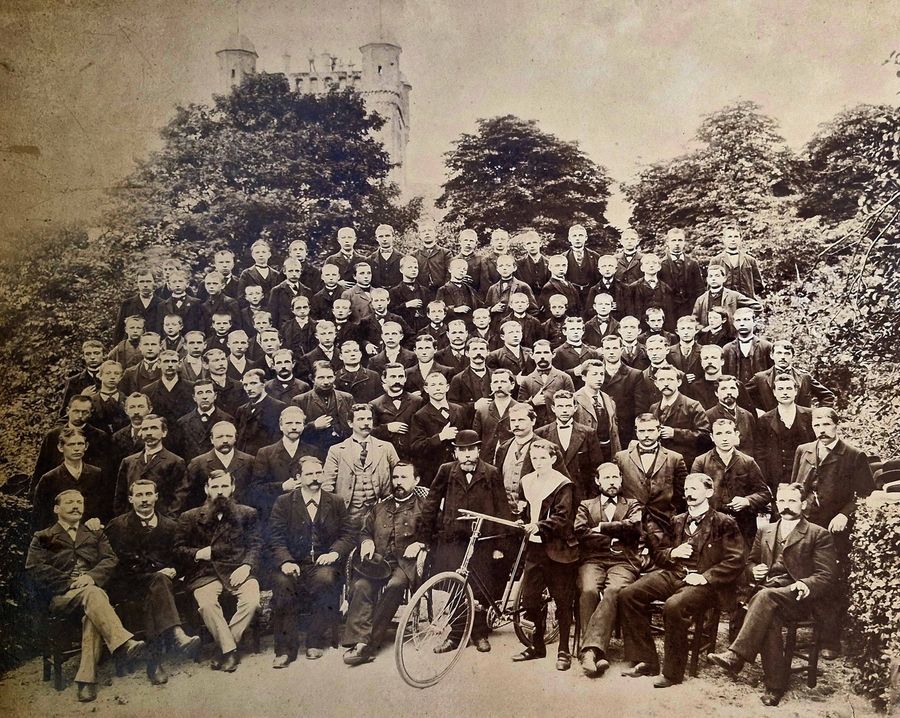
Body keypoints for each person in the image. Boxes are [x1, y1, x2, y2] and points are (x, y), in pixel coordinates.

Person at [708, 483, 837, 707]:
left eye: (792, 501)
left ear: (803, 504)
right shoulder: (765, 530)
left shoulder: (818, 534)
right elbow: (751, 561)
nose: (786, 506)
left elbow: (826, 575)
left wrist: (805, 583)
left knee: (765, 597)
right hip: (768, 595)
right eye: (782, 501)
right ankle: (775, 687)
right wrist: (754, 570)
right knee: (769, 616)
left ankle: (736, 656)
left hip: (798, 597)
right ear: (776, 504)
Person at [618, 473, 745, 688]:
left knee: (674, 606)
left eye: (694, 489)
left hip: (706, 584)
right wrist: (673, 553)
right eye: (686, 489)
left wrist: (705, 577)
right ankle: (646, 660)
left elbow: (736, 560)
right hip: (676, 573)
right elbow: (660, 554)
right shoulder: (676, 521)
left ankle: (672, 673)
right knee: (628, 595)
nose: (688, 493)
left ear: (709, 492)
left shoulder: (725, 522)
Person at [26, 489, 146, 703]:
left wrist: (91, 576)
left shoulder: (95, 533)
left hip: (94, 597)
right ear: (56, 509)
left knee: (92, 614)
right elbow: (35, 567)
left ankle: (86, 681)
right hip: (62, 597)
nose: (76, 506)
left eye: (79, 502)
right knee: (94, 593)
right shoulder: (44, 537)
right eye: (69, 502)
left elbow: (110, 560)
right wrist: (70, 582)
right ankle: (122, 642)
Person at [790, 407, 875, 659]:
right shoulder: (803, 450)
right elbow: (796, 487)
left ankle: (830, 640)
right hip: (805, 524)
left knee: (829, 579)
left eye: (827, 424)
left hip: (833, 528)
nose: (822, 430)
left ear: (837, 425)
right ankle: (800, 623)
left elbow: (865, 494)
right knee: (799, 570)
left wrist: (844, 514)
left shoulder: (853, 455)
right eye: (817, 426)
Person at [418, 430, 512, 653]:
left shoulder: (491, 473)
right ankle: (457, 634)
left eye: (471, 449)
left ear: (478, 450)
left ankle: (479, 633)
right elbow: (431, 504)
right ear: (456, 453)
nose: (467, 455)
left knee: (480, 587)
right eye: (462, 450)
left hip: (483, 540)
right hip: (454, 539)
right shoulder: (446, 471)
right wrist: (425, 538)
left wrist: (499, 545)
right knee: (456, 585)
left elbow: (502, 509)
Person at [105, 479, 201, 685]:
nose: (144, 500)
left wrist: (175, 570)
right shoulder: (118, 526)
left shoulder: (170, 526)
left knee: (155, 593)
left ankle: (154, 663)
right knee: (157, 584)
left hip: (162, 584)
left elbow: (180, 557)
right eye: (139, 495)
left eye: (148, 494)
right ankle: (176, 633)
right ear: (130, 499)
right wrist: (156, 571)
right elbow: (120, 560)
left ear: (156, 497)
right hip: (129, 584)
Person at [269, 456, 354, 665]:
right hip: (293, 562)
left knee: (326, 580)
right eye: (309, 474)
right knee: (283, 583)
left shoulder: (335, 501)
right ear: (298, 477)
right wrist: (286, 561)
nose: (315, 478)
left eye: (318, 473)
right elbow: (275, 538)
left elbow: (348, 534)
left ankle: (314, 640)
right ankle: (285, 649)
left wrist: (334, 553)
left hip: (323, 564)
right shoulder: (284, 502)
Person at [174, 470, 261, 673]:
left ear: (232, 488)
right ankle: (230, 650)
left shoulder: (247, 514)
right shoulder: (190, 517)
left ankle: (223, 648)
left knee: (252, 601)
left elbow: (256, 545)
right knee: (206, 604)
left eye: (224, 486)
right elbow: (177, 549)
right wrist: (198, 553)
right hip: (205, 573)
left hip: (237, 569)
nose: (220, 491)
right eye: (215, 487)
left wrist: (246, 566)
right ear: (207, 489)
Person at [342, 462, 427, 666]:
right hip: (378, 562)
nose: (398, 482)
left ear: (416, 480)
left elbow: (438, 533)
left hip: (405, 564)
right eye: (395, 477)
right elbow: (364, 531)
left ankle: (368, 644)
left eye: (404, 477)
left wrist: (420, 544)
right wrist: (366, 542)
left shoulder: (425, 507)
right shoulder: (380, 507)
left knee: (395, 586)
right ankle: (360, 641)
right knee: (361, 585)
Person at [512, 439, 578, 670]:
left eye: (542, 458)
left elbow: (563, 518)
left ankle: (563, 651)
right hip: (535, 549)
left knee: (562, 601)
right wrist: (520, 520)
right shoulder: (527, 481)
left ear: (553, 459)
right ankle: (537, 646)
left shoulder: (563, 484)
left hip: (558, 549)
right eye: (534, 458)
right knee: (530, 600)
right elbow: (523, 509)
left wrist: (539, 526)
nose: (538, 462)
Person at [575, 463, 643, 678]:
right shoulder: (586, 505)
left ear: (621, 479)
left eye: (615, 477)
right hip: (593, 559)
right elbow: (581, 533)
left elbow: (635, 528)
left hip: (623, 561)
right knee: (589, 591)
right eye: (607, 478)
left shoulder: (632, 504)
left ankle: (590, 652)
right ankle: (597, 653)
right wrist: (614, 538)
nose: (612, 482)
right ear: (598, 481)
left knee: (614, 590)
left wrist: (602, 528)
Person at [691, 418, 770, 543]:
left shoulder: (748, 462)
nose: (724, 438)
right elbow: (692, 494)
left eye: (728, 433)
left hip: (743, 526)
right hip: (711, 525)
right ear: (712, 437)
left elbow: (764, 494)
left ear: (736, 434)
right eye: (719, 433)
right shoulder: (701, 462)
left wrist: (747, 501)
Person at [322, 403, 400, 525]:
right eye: (361, 419)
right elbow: (327, 485)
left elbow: (400, 476)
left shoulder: (386, 448)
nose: (366, 423)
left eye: (369, 419)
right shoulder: (336, 451)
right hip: (347, 516)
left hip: (381, 514)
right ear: (350, 423)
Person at [615, 413, 688, 531]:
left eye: (650, 430)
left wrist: (673, 514)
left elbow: (681, 493)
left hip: (664, 522)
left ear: (659, 431)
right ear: (636, 432)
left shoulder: (675, 458)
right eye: (642, 431)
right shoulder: (621, 458)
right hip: (630, 520)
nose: (646, 435)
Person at [31, 394, 110, 497]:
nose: (80, 416)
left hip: (89, 492)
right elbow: (41, 467)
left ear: (90, 413)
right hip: (58, 491)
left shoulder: (100, 436)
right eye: (76, 411)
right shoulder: (53, 435)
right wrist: (33, 494)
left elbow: (105, 472)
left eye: (84, 412)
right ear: (68, 410)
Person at [247, 407, 318, 521]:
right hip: (275, 513)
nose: (294, 427)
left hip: (305, 514)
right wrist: (282, 486)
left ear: (303, 426)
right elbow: (255, 488)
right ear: (281, 426)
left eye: (298, 423)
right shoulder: (266, 453)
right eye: (289, 423)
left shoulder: (313, 451)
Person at [32, 427, 109, 531]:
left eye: (80, 444)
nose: (76, 448)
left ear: (86, 446)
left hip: (91, 532)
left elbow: (106, 508)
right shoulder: (49, 479)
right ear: (60, 447)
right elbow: (40, 518)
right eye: (71, 444)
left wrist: (97, 520)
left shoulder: (97, 474)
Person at [535, 390, 604, 503]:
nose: (564, 410)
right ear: (553, 408)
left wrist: (591, 499)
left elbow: (596, 468)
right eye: (560, 406)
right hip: (551, 495)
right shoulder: (541, 434)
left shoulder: (588, 433)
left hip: (581, 496)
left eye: (568, 406)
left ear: (575, 408)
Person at [114, 414, 187, 517]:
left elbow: (178, 498)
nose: (149, 433)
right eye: (145, 429)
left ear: (164, 432)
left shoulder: (175, 462)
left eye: (154, 428)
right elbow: (120, 497)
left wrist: (169, 521)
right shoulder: (128, 461)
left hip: (161, 520)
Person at [409, 372, 470, 487]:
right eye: (433, 385)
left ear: (447, 387)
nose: (437, 388)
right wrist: (441, 437)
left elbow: (467, 436)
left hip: (459, 468)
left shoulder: (459, 410)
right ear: (426, 389)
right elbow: (416, 447)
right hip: (434, 473)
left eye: (441, 384)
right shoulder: (420, 416)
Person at [756, 375, 815, 492]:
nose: (785, 393)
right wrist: (765, 480)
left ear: (796, 391)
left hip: (803, 474)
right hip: (775, 478)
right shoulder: (764, 419)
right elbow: (760, 452)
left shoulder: (809, 415)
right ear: (774, 392)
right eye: (780, 389)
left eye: (789, 388)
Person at [650, 365, 711, 479]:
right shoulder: (653, 408)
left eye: (670, 379)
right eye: (661, 380)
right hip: (659, 466)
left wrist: (675, 433)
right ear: (656, 383)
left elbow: (705, 436)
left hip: (684, 465)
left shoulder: (692, 406)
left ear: (679, 382)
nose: (666, 383)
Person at [183, 420, 255, 513]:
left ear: (235, 438)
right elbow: (187, 496)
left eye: (229, 436)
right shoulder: (198, 463)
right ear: (212, 439)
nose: (225, 440)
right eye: (220, 437)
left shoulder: (249, 461)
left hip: (241, 516)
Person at [746, 340, 836, 414]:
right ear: (772, 355)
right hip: (771, 425)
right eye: (779, 353)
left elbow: (827, 396)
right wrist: (757, 411)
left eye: (787, 353)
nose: (783, 357)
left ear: (792, 356)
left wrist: (819, 415)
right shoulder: (760, 378)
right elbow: (742, 396)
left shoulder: (804, 377)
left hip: (800, 425)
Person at [291, 361, 354, 457]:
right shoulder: (300, 401)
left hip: (344, 452)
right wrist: (314, 426)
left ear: (335, 377)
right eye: (321, 378)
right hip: (314, 453)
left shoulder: (347, 398)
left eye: (330, 377)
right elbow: (293, 430)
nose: (326, 382)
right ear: (312, 379)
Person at [494, 403, 541, 517]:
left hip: (532, 514)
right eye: (513, 420)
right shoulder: (503, 448)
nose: (516, 424)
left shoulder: (544, 447)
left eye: (521, 420)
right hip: (505, 514)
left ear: (533, 421)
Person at [370, 363, 424, 461]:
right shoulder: (375, 404)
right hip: (385, 456)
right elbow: (370, 431)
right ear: (384, 379)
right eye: (393, 377)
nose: (397, 381)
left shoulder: (417, 401)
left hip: (413, 456)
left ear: (405, 378)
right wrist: (387, 428)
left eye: (400, 376)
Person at [572, 360, 621, 463]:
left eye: (602, 374)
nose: (599, 378)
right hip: (586, 454)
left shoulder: (608, 400)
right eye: (594, 374)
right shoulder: (575, 399)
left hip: (608, 451)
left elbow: (614, 430)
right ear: (584, 377)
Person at [234, 369, 288, 456]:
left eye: (253, 383)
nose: (249, 388)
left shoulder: (278, 407)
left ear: (264, 384)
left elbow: (278, 439)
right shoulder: (241, 410)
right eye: (245, 385)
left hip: (266, 457)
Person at [691, 263, 762, 329]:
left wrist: (741, 318)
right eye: (710, 276)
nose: (713, 278)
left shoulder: (733, 296)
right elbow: (694, 320)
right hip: (708, 335)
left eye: (717, 275)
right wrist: (702, 329)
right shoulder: (701, 299)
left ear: (724, 278)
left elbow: (757, 307)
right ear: (707, 280)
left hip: (730, 334)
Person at [473, 369, 521, 463]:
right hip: (487, 462)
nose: (499, 385)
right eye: (495, 382)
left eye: (503, 382)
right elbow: (476, 438)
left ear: (512, 385)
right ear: (491, 386)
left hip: (512, 460)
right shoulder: (482, 411)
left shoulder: (520, 409)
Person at [705, 374, 758, 458]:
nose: (729, 392)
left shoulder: (747, 415)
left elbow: (755, 445)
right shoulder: (708, 416)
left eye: (732, 388)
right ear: (716, 393)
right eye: (724, 389)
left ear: (738, 392)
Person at [658, 228, 704, 320]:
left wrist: (698, 309)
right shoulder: (661, 264)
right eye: (673, 240)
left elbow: (699, 288)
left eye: (680, 240)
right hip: (669, 310)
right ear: (667, 242)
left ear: (684, 242)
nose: (677, 243)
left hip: (690, 308)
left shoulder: (692, 263)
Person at [710, 224, 765, 299]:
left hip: (746, 302)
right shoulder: (716, 261)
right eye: (729, 237)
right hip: (723, 302)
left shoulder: (750, 260)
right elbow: (711, 285)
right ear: (724, 239)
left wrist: (748, 293)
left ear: (740, 239)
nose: (733, 240)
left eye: (736, 236)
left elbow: (758, 285)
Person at [142, 349, 195, 426]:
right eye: (166, 361)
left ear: (179, 364)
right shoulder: (148, 390)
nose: (170, 365)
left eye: (173, 361)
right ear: (158, 363)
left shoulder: (191, 387)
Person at [722, 308, 773, 385]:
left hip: (759, 390)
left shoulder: (766, 347)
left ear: (754, 322)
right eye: (738, 320)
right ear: (734, 323)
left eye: (746, 319)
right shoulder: (727, 349)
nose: (742, 323)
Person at [114, 269, 163, 343]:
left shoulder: (162, 304)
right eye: (141, 281)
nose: (145, 285)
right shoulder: (127, 304)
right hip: (131, 346)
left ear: (154, 282)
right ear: (137, 283)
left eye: (148, 281)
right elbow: (119, 331)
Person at [61, 339, 105, 414]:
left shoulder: (111, 377)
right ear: (83, 356)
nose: (92, 357)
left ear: (103, 355)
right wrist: (81, 398)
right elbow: (64, 412)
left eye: (96, 353)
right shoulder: (74, 381)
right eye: (88, 354)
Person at [267, 258, 311, 332]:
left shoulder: (307, 291)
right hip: (284, 329)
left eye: (297, 271)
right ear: (284, 271)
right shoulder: (277, 291)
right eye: (290, 271)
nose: (294, 274)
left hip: (303, 329)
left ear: (301, 271)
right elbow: (273, 314)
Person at [564, 224, 601, 310]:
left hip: (591, 296)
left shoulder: (595, 256)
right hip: (571, 298)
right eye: (574, 236)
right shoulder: (563, 257)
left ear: (586, 238)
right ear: (569, 238)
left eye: (580, 235)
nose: (577, 238)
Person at [448, 336, 493, 405]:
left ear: (488, 352)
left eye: (482, 349)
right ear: (467, 353)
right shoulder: (458, 379)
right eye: (474, 349)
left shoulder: (495, 376)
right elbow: (453, 405)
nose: (478, 352)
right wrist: (474, 406)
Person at [89, 360, 128, 435]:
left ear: (121, 377)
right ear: (100, 376)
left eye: (116, 373)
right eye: (108, 373)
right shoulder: (90, 401)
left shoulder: (127, 401)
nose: (112, 377)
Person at [414, 221, 451, 293]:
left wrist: (445, 290)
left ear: (435, 233)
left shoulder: (445, 253)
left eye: (430, 230)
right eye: (423, 231)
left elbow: (449, 273)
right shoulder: (414, 255)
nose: (427, 233)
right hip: (421, 293)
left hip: (442, 292)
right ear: (419, 235)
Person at [367, 223, 403, 289]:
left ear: (393, 237)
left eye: (387, 236)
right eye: (381, 236)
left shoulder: (402, 258)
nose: (384, 239)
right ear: (376, 238)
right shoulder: (370, 259)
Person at [516, 230, 551, 296]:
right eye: (528, 243)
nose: (532, 246)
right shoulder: (519, 264)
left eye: (534, 242)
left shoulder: (549, 263)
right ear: (524, 246)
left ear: (540, 244)